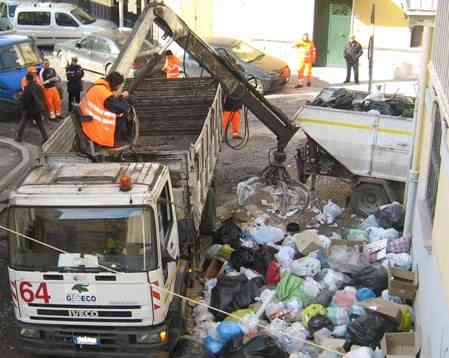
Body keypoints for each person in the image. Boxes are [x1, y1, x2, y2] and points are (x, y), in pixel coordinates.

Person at [80, 71, 131, 148]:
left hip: (88, 123)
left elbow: (109, 102)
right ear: (114, 84)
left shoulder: (97, 86)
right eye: (118, 86)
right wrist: (123, 99)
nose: (118, 88)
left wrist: (119, 97)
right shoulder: (104, 94)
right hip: (95, 129)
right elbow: (121, 108)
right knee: (121, 114)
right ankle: (116, 140)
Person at [15, 73, 48, 144]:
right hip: (38, 109)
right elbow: (42, 97)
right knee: (40, 124)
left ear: (27, 80)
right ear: (33, 78)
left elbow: (26, 100)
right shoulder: (38, 86)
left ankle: (19, 137)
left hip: (29, 110)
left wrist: (23, 108)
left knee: (23, 123)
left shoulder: (27, 88)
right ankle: (45, 137)